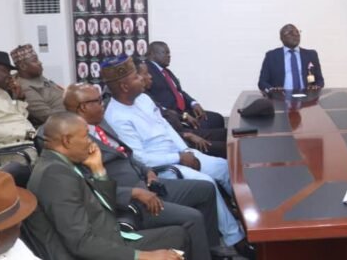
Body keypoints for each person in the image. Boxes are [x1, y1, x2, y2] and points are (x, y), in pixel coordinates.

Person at [101, 56, 253, 258]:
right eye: (137, 76)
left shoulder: (144, 99)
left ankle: (251, 225)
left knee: (226, 168)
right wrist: (179, 158)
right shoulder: (116, 116)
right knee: (207, 182)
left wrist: (186, 152)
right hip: (164, 167)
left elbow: (165, 127)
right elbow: (141, 158)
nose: (143, 78)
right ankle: (235, 239)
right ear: (124, 86)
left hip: (181, 153)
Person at [65, 83, 222, 260]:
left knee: (205, 189)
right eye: (99, 101)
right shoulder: (76, 141)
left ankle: (211, 250)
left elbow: (125, 154)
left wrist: (147, 170)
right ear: (84, 107)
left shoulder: (101, 123)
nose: (103, 105)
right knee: (192, 218)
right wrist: (133, 192)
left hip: (146, 182)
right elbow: (89, 187)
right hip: (132, 202)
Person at [24, 112, 187, 260]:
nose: (90, 142)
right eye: (86, 136)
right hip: (97, 251)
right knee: (178, 239)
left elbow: (107, 208)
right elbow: (81, 244)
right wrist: (144, 256)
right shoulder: (54, 176)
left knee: (178, 235)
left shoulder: (62, 163)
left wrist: (98, 169)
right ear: (67, 140)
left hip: (109, 236)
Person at [137, 62, 226, 158]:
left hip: (181, 130)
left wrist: (192, 104)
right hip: (178, 139)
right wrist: (185, 134)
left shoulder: (145, 98)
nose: (150, 77)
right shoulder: (142, 102)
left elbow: (179, 92)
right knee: (226, 147)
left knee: (225, 132)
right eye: (146, 74)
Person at [146, 41, 225, 130]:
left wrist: (193, 103)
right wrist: (183, 116)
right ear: (152, 54)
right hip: (174, 117)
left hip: (185, 111)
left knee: (217, 119)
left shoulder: (166, 71)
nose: (169, 56)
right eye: (165, 53)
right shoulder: (147, 72)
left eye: (169, 53)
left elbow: (179, 92)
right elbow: (154, 104)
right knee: (211, 127)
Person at [258, 23, 325, 94]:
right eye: (290, 33)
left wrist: (316, 87)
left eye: (297, 32)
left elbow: (320, 80)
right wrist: (272, 90)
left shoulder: (311, 55)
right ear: (282, 38)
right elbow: (262, 82)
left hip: (307, 97)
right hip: (280, 98)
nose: (296, 35)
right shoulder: (271, 56)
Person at [11, 44, 65, 124]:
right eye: (35, 60)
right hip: (63, 123)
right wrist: (74, 110)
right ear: (23, 66)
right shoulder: (24, 88)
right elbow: (48, 117)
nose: (40, 62)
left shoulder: (36, 76)